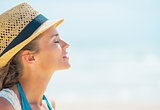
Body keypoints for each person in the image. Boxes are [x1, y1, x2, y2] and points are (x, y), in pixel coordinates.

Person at [0, 2, 70, 110]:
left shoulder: (48, 104)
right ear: (30, 57)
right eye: (56, 41)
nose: (66, 45)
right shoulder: (5, 105)